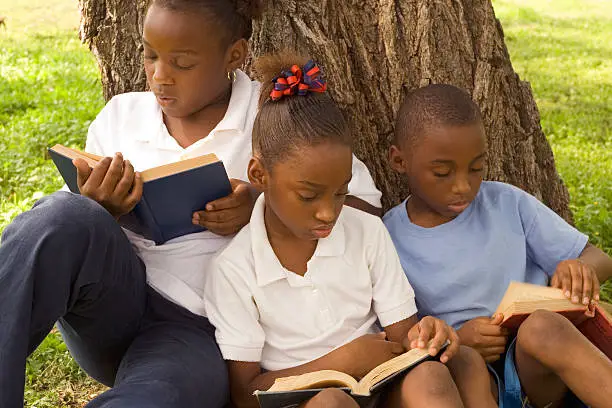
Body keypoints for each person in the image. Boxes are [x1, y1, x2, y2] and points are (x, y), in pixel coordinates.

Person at [0, 1, 383, 407]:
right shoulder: (122, 116)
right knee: (66, 215)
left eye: (182, 64)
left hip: (196, 333)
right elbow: (65, 236)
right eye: (150, 55)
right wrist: (101, 207)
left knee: (157, 397)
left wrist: (264, 207)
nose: (160, 77)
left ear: (234, 56)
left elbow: (366, 209)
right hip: (113, 303)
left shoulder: (275, 120)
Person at [204, 54, 497, 408]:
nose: (329, 212)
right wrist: (340, 363)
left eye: (341, 192)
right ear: (259, 175)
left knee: (431, 375)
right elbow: (246, 393)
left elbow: (404, 335)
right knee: (331, 404)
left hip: (382, 384)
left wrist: (427, 334)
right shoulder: (233, 270)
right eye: (309, 195)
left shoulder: (367, 232)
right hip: (307, 401)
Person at [383, 84, 612, 408]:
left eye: (476, 168)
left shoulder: (506, 203)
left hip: (537, 367)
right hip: (466, 375)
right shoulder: (387, 238)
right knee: (463, 362)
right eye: (442, 172)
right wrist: (460, 339)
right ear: (398, 160)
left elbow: (599, 258)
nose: (463, 185)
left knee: (543, 327)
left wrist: (581, 270)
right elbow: (401, 338)